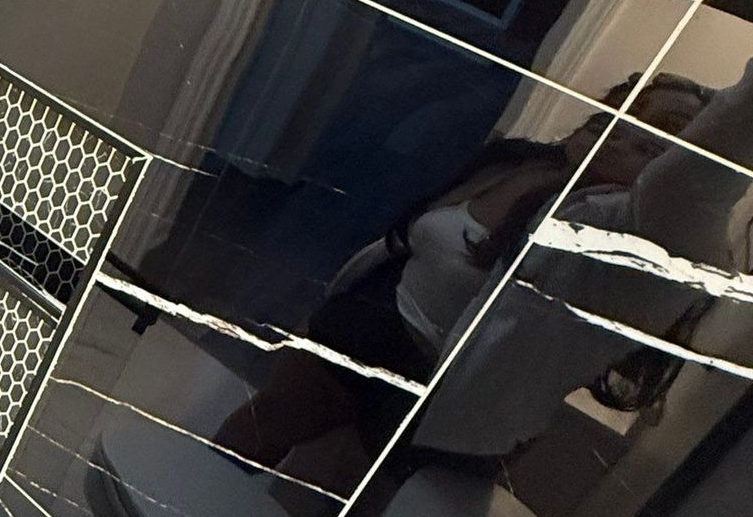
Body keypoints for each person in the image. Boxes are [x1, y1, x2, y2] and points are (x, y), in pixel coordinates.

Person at [213, 73, 712, 473]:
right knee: (257, 434)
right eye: (632, 102)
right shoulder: (519, 160)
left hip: (446, 399)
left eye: (662, 131)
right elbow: (411, 240)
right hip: (373, 319)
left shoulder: (612, 241)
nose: (627, 125)